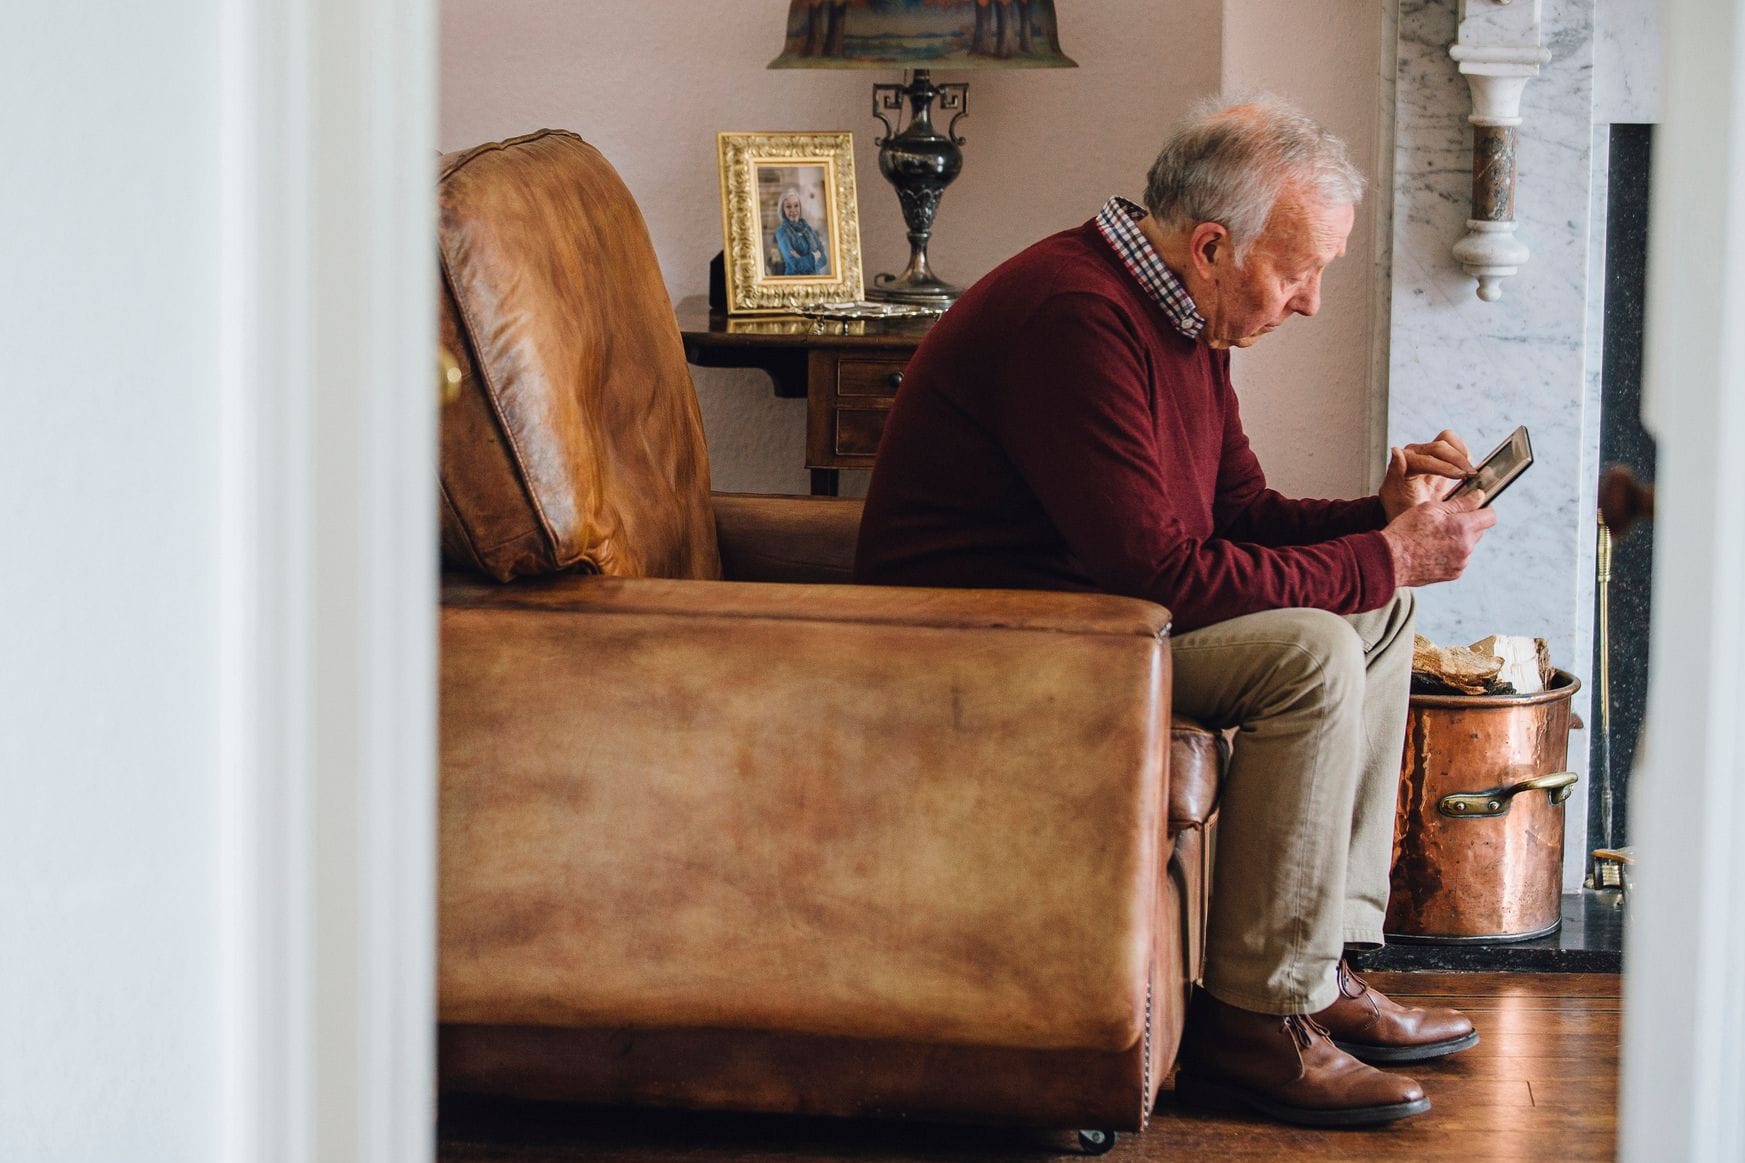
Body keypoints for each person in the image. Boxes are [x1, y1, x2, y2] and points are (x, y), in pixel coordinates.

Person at [854, 95, 1497, 1128]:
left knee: (1376, 614)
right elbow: (1158, 570)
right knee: (1314, 648)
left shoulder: (1180, 314)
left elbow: (1236, 512)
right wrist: (1380, 553)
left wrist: (1375, 521)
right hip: (989, 638)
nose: (1309, 301)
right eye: (1297, 270)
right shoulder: (1076, 316)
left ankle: (1318, 960)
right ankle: (1253, 1019)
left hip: (1090, 613)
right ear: (1210, 245)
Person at [773, 188, 828, 277]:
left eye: (796, 205)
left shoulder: (808, 228)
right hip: (795, 282)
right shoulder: (781, 232)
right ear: (783, 209)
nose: (793, 210)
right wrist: (815, 256)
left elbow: (824, 259)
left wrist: (803, 259)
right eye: (788, 206)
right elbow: (796, 265)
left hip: (815, 280)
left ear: (800, 207)